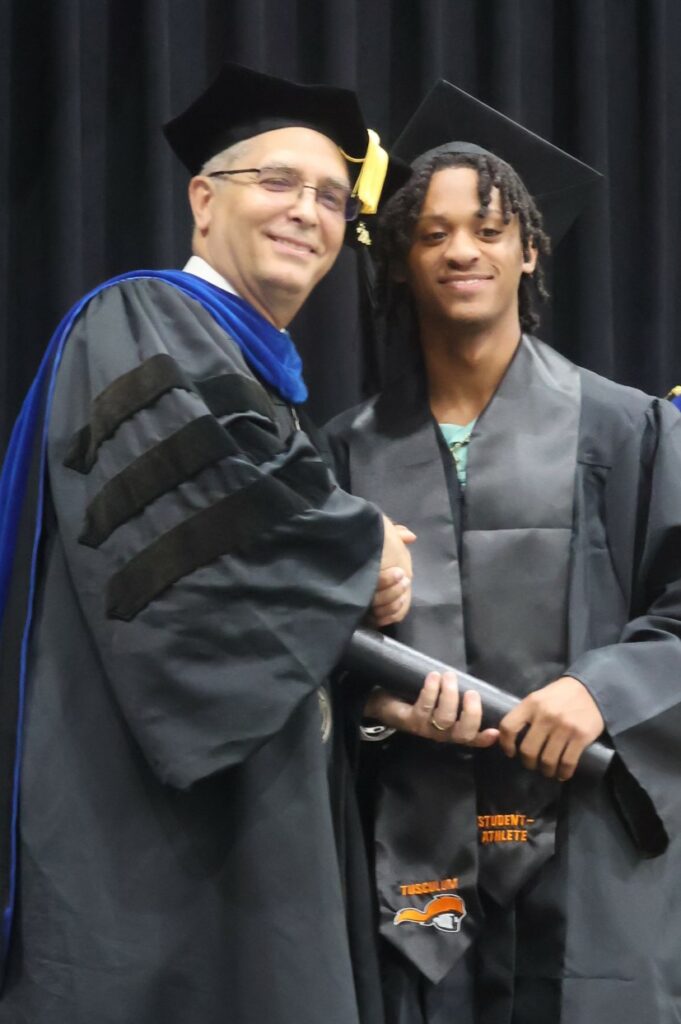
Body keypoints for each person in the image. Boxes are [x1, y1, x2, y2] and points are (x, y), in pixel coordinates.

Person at [0, 63, 417, 1024]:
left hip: (251, 821)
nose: (306, 212)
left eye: (325, 195)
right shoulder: (139, 319)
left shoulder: (257, 374)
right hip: (144, 834)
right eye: (275, 182)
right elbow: (205, 545)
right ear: (202, 199)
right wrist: (365, 548)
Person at [327, 81, 681, 1024]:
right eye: (432, 232)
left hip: (592, 859)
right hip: (411, 874)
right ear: (398, 260)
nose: (460, 251)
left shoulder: (629, 428)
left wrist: (599, 690)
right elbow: (299, 651)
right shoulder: (343, 454)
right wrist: (373, 711)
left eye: (487, 229)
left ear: (530, 250)